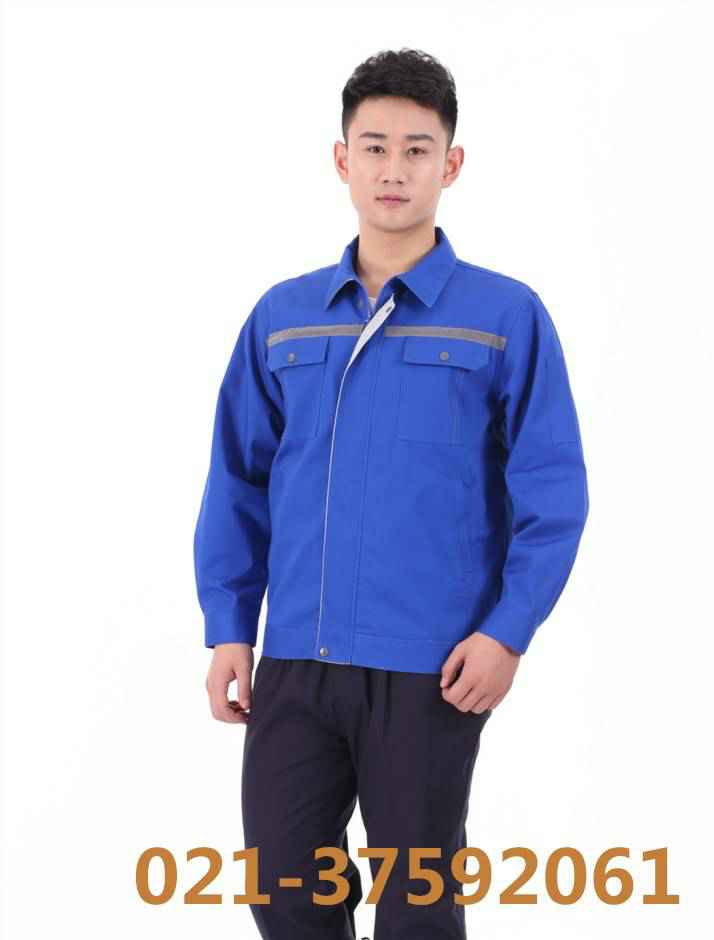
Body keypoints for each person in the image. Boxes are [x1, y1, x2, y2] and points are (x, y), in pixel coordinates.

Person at [193, 47, 589, 940]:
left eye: (418, 149)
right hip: (296, 661)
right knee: (283, 894)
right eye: (374, 147)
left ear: (452, 164)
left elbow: (553, 493)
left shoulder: (503, 316)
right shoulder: (283, 317)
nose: (394, 169)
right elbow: (238, 480)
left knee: (416, 906)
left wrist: (507, 632)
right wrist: (229, 627)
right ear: (343, 160)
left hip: (430, 669)